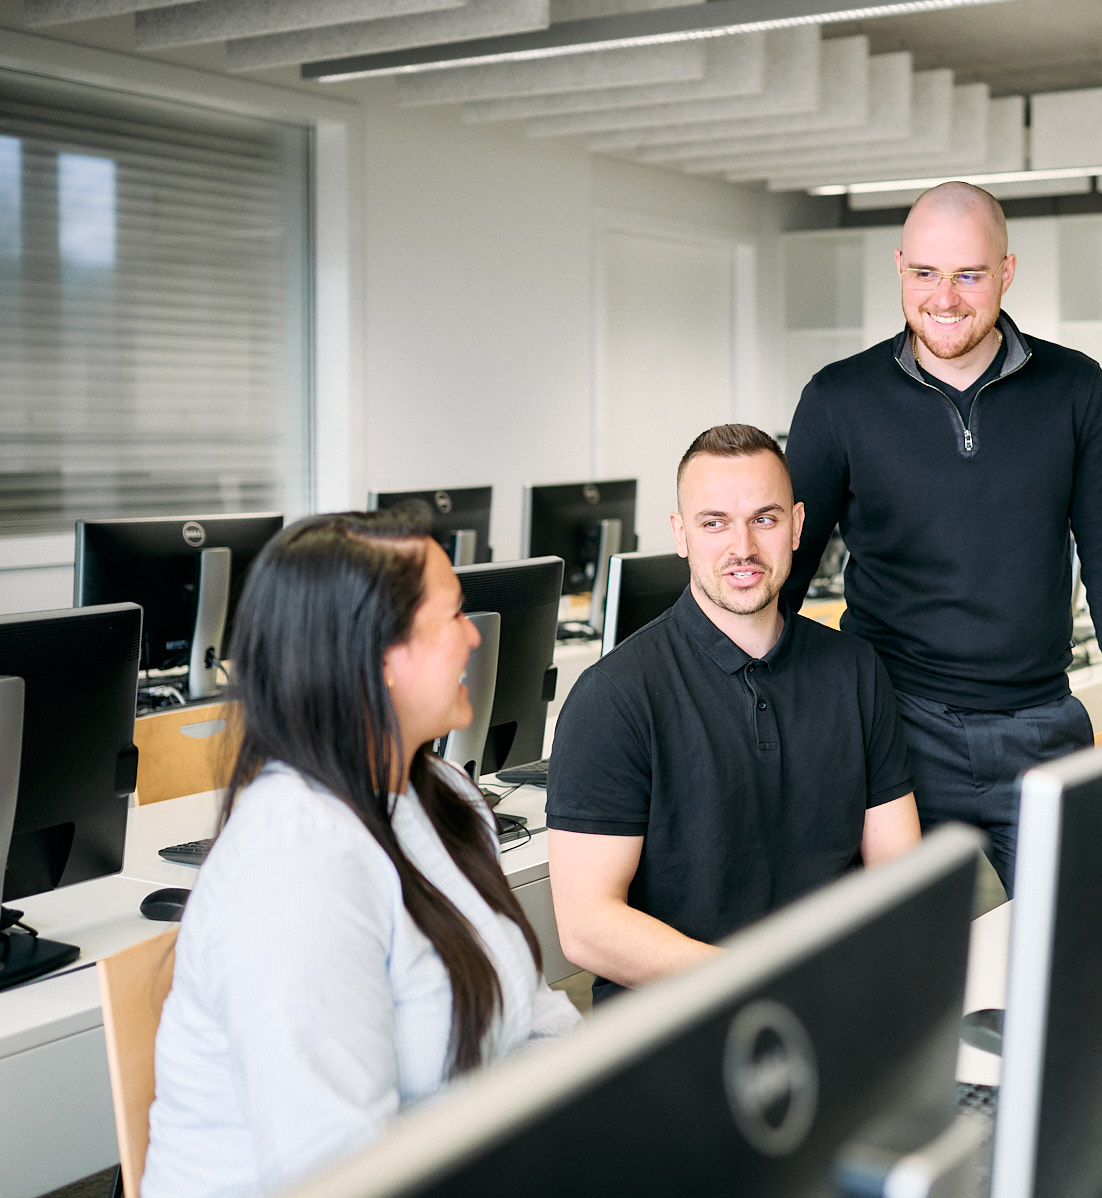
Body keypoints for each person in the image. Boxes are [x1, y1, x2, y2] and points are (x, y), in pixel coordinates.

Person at [142, 508, 581, 1198]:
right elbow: (340, 1172)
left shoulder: (442, 796)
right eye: (452, 618)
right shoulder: (296, 866)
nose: (475, 636)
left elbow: (539, 1022)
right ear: (374, 660)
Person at [781, 180, 1102, 893]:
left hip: (1043, 729)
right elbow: (785, 575)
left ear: (1007, 273)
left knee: (1087, 948)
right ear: (899, 267)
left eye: (969, 275)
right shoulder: (838, 399)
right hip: (895, 734)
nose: (945, 297)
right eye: (925, 273)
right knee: (899, 972)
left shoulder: (1077, 388)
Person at [546, 423, 921, 1001]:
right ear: (680, 534)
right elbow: (587, 928)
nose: (741, 547)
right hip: (676, 1041)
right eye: (714, 522)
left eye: (764, 519)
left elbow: (901, 876)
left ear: (797, 526)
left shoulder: (855, 671)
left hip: (833, 1012)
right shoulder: (613, 696)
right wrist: (760, 983)